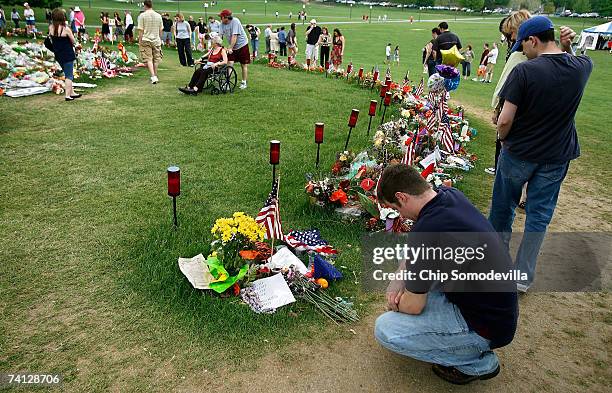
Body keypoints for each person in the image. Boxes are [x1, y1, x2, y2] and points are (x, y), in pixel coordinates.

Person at [374, 164, 518, 385]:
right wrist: (398, 280)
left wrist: (397, 303)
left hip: (484, 326)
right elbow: (416, 251)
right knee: (414, 289)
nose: (400, 216)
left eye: (396, 209)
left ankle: (475, 363)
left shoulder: (428, 231)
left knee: (386, 328)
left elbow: (413, 306)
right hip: (496, 310)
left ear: (402, 198)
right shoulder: (449, 195)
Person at [489, 16, 592, 293]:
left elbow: (505, 120)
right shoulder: (582, 67)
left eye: (524, 46)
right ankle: (522, 275)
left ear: (533, 40)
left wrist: (502, 138)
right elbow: (570, 61)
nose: (523, 53)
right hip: (557, 155)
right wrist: (568, 46)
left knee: (502, 208)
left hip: (519, 152)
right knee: (539, 215)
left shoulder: (524, 72)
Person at [48, 8, 81, 101]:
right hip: (67, 54)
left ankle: (72, 92)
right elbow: (73, 41)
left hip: (58, 54)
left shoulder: (51, 27)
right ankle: (67, 95)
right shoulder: (65, 29)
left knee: (67, 73)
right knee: (69, 76)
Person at [219, 9, 250, 90]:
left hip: (242, 45)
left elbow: (234, 36)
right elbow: (220, 36)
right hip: (232, 47)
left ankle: (244, 82)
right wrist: (218, 46)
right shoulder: (221, 24)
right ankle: (227, 82)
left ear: (226, 17)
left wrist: (230, 48)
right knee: (229, 63)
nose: (220, 19)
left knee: (243, 65)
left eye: (221, 17)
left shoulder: (235, 21)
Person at [137, 0, 163, 84]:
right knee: (156, 59)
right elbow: (161, 29)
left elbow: (141, 30)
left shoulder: (142, 15)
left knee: (148, 59)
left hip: (146, 39)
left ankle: (153, 76)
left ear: (145, 5)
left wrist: (140, 41)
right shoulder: (158, 16)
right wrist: (160, 38)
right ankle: (155, 75)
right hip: (156, 39)